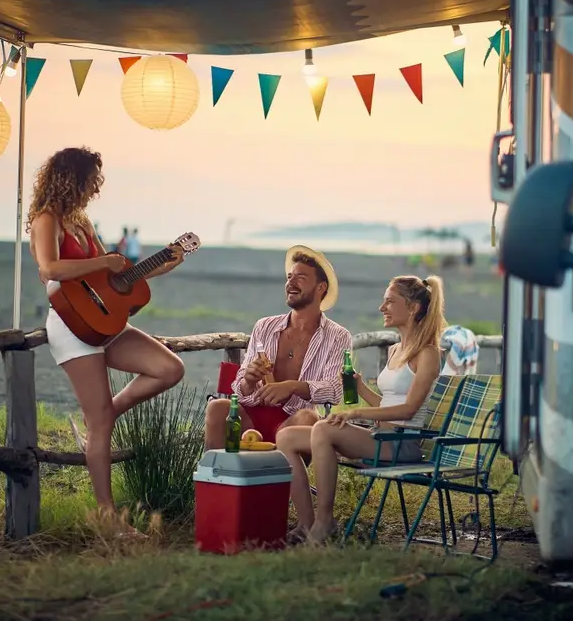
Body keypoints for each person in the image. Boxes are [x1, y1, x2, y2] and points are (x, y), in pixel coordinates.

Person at [27, 146, 186, 532]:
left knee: (169, 369)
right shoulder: (46, 220)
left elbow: (112, 282)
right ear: (70, 178)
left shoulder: (82, 222)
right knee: (101, 429)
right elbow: (49, 268)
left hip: (104, 322)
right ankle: (107, 517)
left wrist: (161, 267)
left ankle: (105, 413)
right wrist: (103, 260)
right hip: (71, 327)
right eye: (90, 181)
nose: (94, 190)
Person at [276, 274, 446, 545]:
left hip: (402, 443)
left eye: (390, 302)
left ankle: (325, 521)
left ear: (413, 308)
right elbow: (388, 405)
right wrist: (361, 388)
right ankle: (307, 524)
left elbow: (409, 410)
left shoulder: (427, 353)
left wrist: (355, 413)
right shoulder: (395, 350)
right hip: (380, 438)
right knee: (286, 438)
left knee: (323, 427)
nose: (382, 308)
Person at [204, 245, 352, 449]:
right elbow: (240, 386)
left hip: (293, 420)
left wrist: (291, 386)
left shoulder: (338, 336)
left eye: (300, 277)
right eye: (289, 276)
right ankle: (218, 476)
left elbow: (335, 391)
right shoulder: (264, 326)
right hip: (252, 415)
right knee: (218, 407)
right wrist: (248, 379)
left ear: (321, 288)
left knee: (309, 417)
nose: (290, 282)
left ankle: (280, 479)